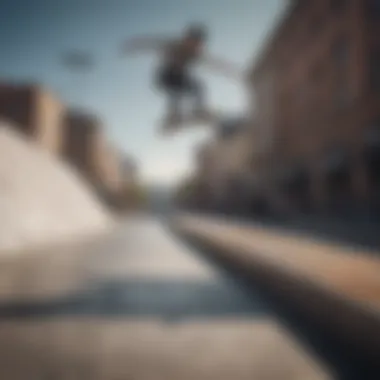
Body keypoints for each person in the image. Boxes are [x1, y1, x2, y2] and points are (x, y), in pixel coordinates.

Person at [121, 24, 241, 127]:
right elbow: (152, 43)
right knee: (176, 84)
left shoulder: (196, 54)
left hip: (179, 79)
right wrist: (133, 45)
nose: (194, 46)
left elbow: (215, 63)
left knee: (198, 86)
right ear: (187, 39)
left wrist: (233, 72)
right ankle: (173, 114)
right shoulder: (174, 44)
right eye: (192, 42)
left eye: (197, 44)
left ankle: (199, 110)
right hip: (164, 77)